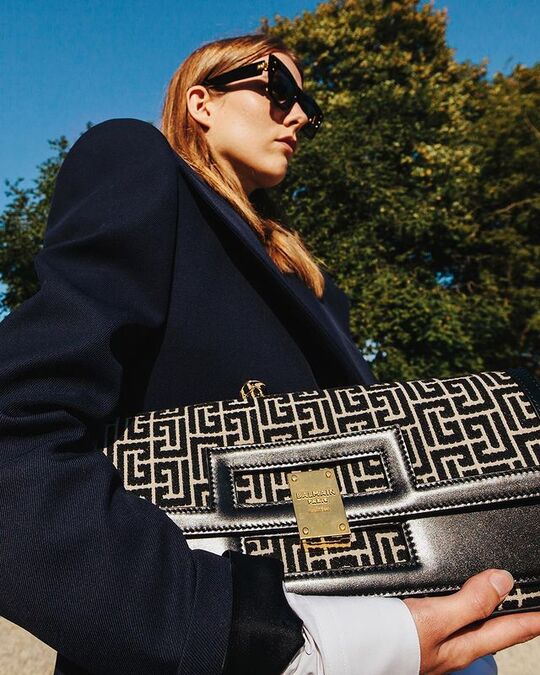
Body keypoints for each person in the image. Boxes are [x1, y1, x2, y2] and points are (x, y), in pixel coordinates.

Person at [0, 32, 538, 675]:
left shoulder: (306, 274)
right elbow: (16, 429)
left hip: (385, 611)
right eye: (279, 90)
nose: (301, 116)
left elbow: (328, 466)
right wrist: (265, 640)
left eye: (309, 104)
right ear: (201, 102)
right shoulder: (136, 161)